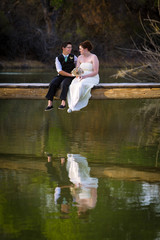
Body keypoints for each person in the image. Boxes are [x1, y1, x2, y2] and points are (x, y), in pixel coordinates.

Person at [67, 40, 99, 113]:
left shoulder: (94, 57)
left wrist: (85, 77)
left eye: (81, 49)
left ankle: (76, 105)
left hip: (92, 77)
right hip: (81, 77)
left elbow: (95, 72)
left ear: (86, 49)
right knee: (72, 85)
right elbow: (77, 70)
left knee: (81, 85)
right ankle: (71, 105)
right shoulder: (79, 58)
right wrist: (78, 76)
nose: (79, 50)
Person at [45, 42, 77, 111]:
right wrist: (69, 74)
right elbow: (59, 71)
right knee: (53, 83)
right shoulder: (58, 58)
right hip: (62, 75)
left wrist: (74, 74)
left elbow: (78, 67)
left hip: (70, 77)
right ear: (63, 48)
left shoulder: (73, 57)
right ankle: (50, 103)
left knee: (64, 84)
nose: (70, 49)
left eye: (71, 47)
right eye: (68, 47)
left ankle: (63, 102)